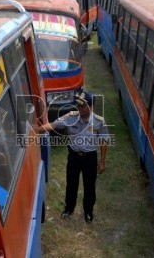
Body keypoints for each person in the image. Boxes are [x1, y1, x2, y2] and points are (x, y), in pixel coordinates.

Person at [36, 91, 109, 223]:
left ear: (91, 106)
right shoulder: (71, 117)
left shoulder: (99, 122)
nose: (79, 109)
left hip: (90, 158)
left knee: (89, 186)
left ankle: (88, 212)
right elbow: (53, 125)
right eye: (78, 106)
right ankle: (69, 209)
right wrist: (34, 130)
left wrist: (102, 162)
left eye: (82, 106)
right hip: (74, 157)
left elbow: (104, 141)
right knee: (71, 184)